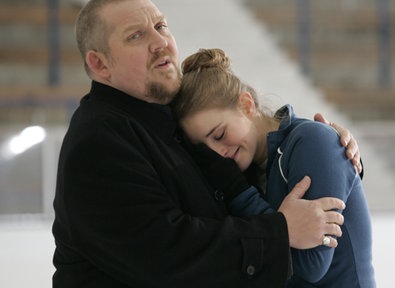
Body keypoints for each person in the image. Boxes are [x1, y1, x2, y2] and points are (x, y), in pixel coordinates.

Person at [51, 1, 363, 287]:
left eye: (161, 26)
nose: (160, 43)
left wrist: (330, 152)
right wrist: (279, 231)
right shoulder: (99, 141)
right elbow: (165, 254)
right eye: (136, 36)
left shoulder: (168, 120)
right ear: (100, 64)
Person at [171, 48, 375, 288]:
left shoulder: (311, 141)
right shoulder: (250, 168)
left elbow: (311, 265)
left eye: (219, 134)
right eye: (205, 150)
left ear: (246, 105)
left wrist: (240, 194)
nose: (219, 154)